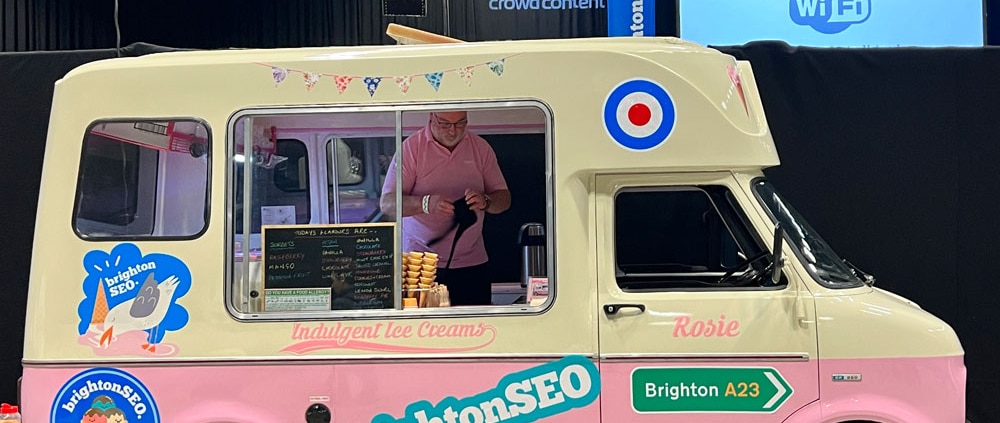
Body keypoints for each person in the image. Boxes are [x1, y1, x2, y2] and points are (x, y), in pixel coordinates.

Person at [379, 110, 511, 306]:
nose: (452, 131)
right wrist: (425, 204)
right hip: (420, 266)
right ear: (431, 118)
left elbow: (504, 198)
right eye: (445, 124)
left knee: (475, 324)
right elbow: (388, 204)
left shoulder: (480, 148)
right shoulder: (412, 148)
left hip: (472, 262)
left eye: (460, 123)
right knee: (424, 325)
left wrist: (486, 201)